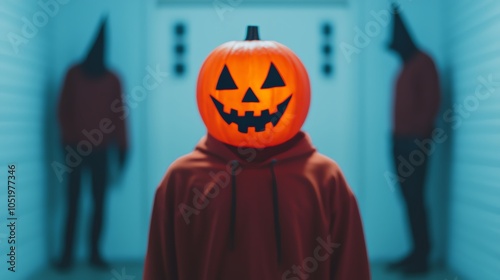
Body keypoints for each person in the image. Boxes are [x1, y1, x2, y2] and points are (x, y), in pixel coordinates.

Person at [143, 26, 370, 280]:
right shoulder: (181, 179)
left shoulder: (325, 178)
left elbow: (351, 267)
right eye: (227, 83)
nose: (250, 100)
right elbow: (159, 268)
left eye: (271, 81)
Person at [56, 18, 128, 269]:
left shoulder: (113, 79)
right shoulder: (73, 74)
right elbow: (62, 109)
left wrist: (122, 151)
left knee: (99, 203)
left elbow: (120, 117)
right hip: (74, 149)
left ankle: (95, 254)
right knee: (73, 203)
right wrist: (67, 142)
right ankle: (67, 255)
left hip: (100, 151)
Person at [386, 5, 441, 275]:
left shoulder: (424, 62)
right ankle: (414, 251)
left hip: (415, 144)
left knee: (416, 198)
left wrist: (417, 137)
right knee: (407, 199)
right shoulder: (405, 67)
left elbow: (431, 103)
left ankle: (423, 255)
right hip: (398, 142)